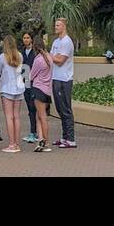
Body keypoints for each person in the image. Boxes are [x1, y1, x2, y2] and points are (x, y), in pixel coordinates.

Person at [50, 16, 78, 149]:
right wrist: (53, 57)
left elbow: (60, 60)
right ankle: (64, 136)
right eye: (55, 25)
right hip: (56, 77)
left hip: (65, 79)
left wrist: (52, 57)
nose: (56, 27)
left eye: (58, 25)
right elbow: (52, 58)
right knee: (59, 108)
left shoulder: (67, 42)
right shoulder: (56, 42)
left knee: (66, 108)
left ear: (64, 26)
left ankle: (71, 138)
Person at [0, 35, 27, 153]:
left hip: (7, 88)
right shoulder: (20, 56)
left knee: (9, 117)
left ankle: (11, 144)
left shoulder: (2, 57)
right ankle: (17, 143)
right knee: (16, 116)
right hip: (19, 88)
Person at [27, 30, 54, 152]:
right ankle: (41, 139)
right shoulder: (49, 57)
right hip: (47, 90)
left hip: (38, 88)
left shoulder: (38, 60)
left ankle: (45, 141)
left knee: (41, 116)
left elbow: (31, 76)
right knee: (41, 116)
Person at [20, 30, 40, 144]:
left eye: (28, 37)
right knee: (29, 108)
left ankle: (35, 132)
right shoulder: (22, 52)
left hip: (34, 82)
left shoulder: (35, 52)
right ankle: (33, 131)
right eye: (24, 38)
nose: (26, 40)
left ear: (31, 39)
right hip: (25, 82)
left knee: (34, 108)